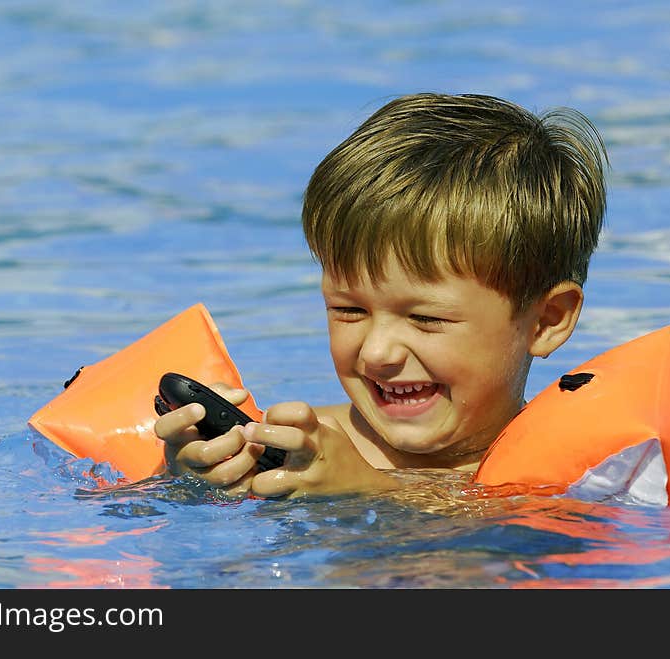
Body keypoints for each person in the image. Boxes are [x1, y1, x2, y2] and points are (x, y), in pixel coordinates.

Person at [154, 92, 609, 499]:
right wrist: (183, 480)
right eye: (349, 310)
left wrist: (369, 491)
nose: (376, 352)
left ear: (547, 320)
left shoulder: (574, 479)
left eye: (425, 318)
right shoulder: (299, 443)